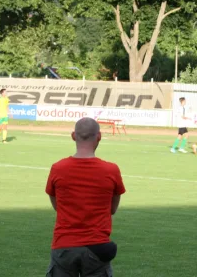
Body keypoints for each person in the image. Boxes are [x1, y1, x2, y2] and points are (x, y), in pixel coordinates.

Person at [45, 118, 126, 277]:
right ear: (99, 136)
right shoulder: (111, 170)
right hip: (98, 245)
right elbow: (112, 209)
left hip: (64, 245)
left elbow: (57, 206)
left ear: (73, 136)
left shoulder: (58, 168)